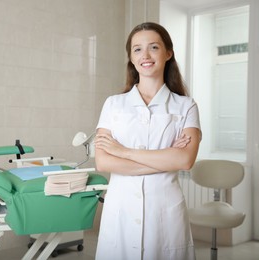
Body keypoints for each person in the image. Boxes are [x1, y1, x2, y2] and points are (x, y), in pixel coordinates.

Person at [94, 22, 201, 260]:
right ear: (131, 58)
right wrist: (165, 159)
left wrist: (123, 151)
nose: (146, 55)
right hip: (120, 209)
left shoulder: (186, 106)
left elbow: (184, 160)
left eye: (153, 47)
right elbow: (103, 162)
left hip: (165, 212)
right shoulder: (113, 104)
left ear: (168, 53)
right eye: (137, 49)